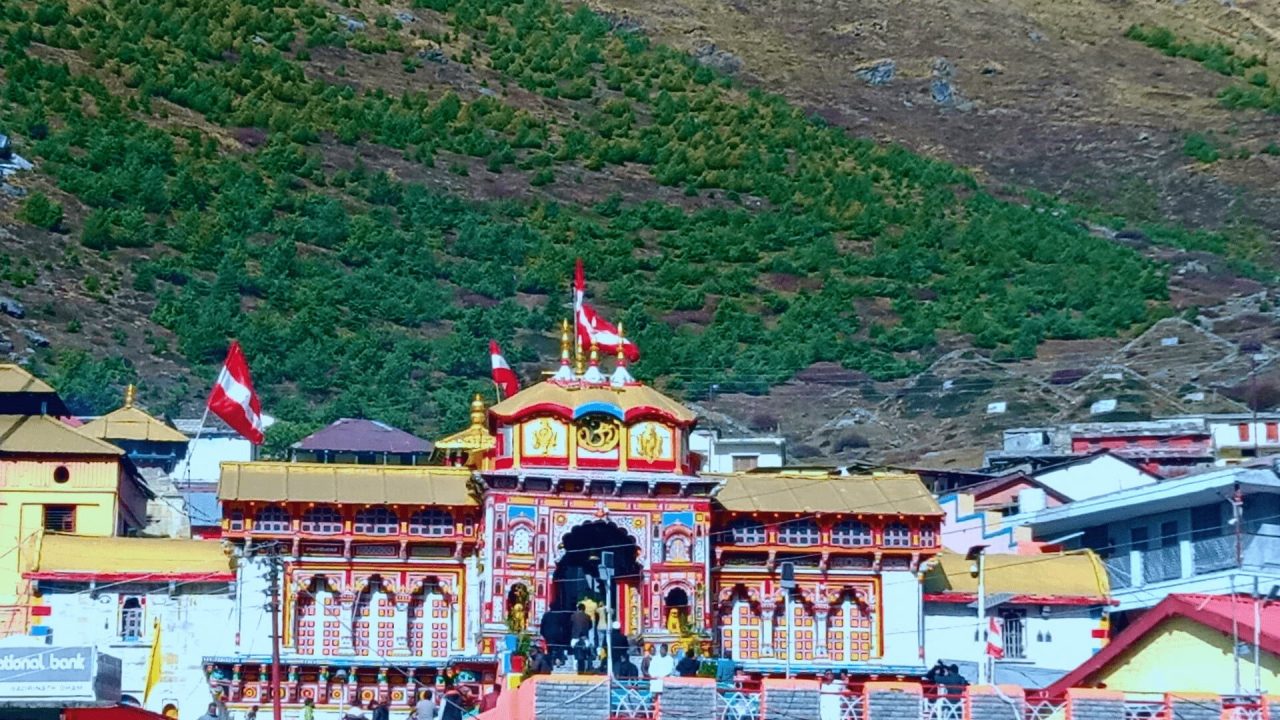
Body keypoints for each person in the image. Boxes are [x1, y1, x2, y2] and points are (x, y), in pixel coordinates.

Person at [571, 603, 593, 673]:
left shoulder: (573, 616)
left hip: (575, 637)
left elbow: (570, 625)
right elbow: (590, 626)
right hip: (585, 637)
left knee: (574, 652)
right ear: (584, 609)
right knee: (587, 652)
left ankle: (575, 667)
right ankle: (587, 667)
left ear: (578, 608)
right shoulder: (588, 616)